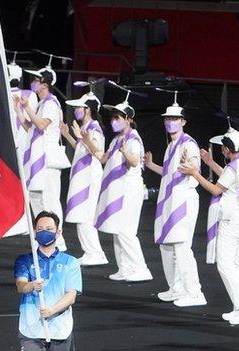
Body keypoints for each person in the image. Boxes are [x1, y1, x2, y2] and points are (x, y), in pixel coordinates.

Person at [179, 128, 239, 325]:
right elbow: (230, 180)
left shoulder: (233, 168)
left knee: (225, 265)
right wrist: (209, 163)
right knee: (237, 263)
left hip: (231, 220)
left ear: (225, 149)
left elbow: (216, 189)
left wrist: (195, 173)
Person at [82, 100, 152, 282]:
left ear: (128, 119)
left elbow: (135, 161)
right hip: (116, 189)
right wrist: (87, 141)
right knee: (116, 228)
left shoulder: (133, 139)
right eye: (113, 117)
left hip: (129, 189)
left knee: (126, 230)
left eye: (117, 117)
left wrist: (124, 152)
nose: (113, 121)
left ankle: (140, 268)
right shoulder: (116, 140)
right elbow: (102, 158)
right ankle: (124, 268)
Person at [144, 102, 206, 307]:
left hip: (184, 200)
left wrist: (193, 167)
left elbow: (194, 165)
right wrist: (151, 165)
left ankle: (195, 292)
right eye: (168, 119)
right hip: (168, 199)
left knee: (181, 246)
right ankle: (176, 287)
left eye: (175, 119)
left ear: (183, 121)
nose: (170, 122)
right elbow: (170, 173)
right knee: (166, 245)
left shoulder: (189, 143)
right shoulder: (172, 145)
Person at [13, 69, 67, 251]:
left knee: (50, 200)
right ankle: (43, 237)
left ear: (45, 84)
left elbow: (43, 124)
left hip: (48, 159)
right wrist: (18, 110)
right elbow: (31, 127)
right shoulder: (41, 103)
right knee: (35, 197)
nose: (33, 81)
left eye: (37, 79)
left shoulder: (51, 103)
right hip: (37, 160)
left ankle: (58, 240)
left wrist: (27, 107)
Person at [14, 211, 81, 351]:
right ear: (34, 232)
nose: (44, 232)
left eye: (49, 229)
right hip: (31, 328)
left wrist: (52, 310)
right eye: (40, 229)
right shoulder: (24, 260)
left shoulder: (70, 262)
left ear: (58, 232)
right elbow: (21, 286)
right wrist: (32, 285)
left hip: (60, 329)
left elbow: (71, 296)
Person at [61, 92, 108, 266]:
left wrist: (83, 138)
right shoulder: (87, 129)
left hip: (89, 176)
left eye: (79, 107)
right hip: (81, 175)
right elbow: (80, 148)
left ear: (88, 109)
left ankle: (95, 253)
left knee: (86, 215)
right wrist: (68, 135)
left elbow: (97, 153)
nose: (76, 110)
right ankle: (90, 252)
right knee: (81, 214)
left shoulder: (94, 129)